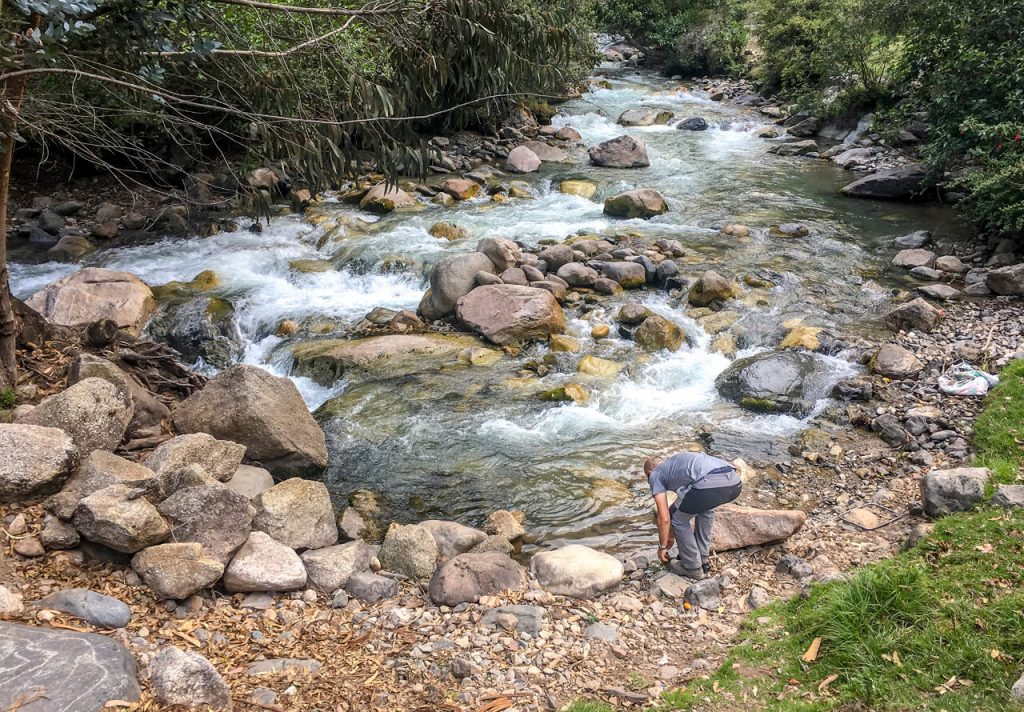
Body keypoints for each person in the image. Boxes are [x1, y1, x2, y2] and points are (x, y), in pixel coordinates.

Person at [644, 452, 743, 580]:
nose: (649, 481)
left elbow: (664, 517)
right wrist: (670, 536)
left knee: (676, 518)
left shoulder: (655, 474)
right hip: (734, 482)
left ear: (650, 471)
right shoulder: (677, 463)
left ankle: (692, 567)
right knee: (705, 509)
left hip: (709, 483)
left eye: (647, 477)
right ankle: (702, 559)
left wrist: (662, 547)